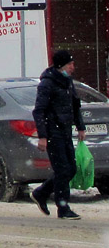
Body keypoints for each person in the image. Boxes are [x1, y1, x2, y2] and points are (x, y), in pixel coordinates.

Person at [31, 50, 86, 220]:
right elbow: (39, 111)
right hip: (53, 132)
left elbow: (75, 105)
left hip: (65, 130)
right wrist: (43, 136)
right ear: (61, 65)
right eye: (70, 64)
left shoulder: (67, 82)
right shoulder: (47, 84)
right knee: (62, 170)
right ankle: (63, 208)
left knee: (71, 169)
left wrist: (80, 126)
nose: (73, 68)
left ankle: (41, 193)